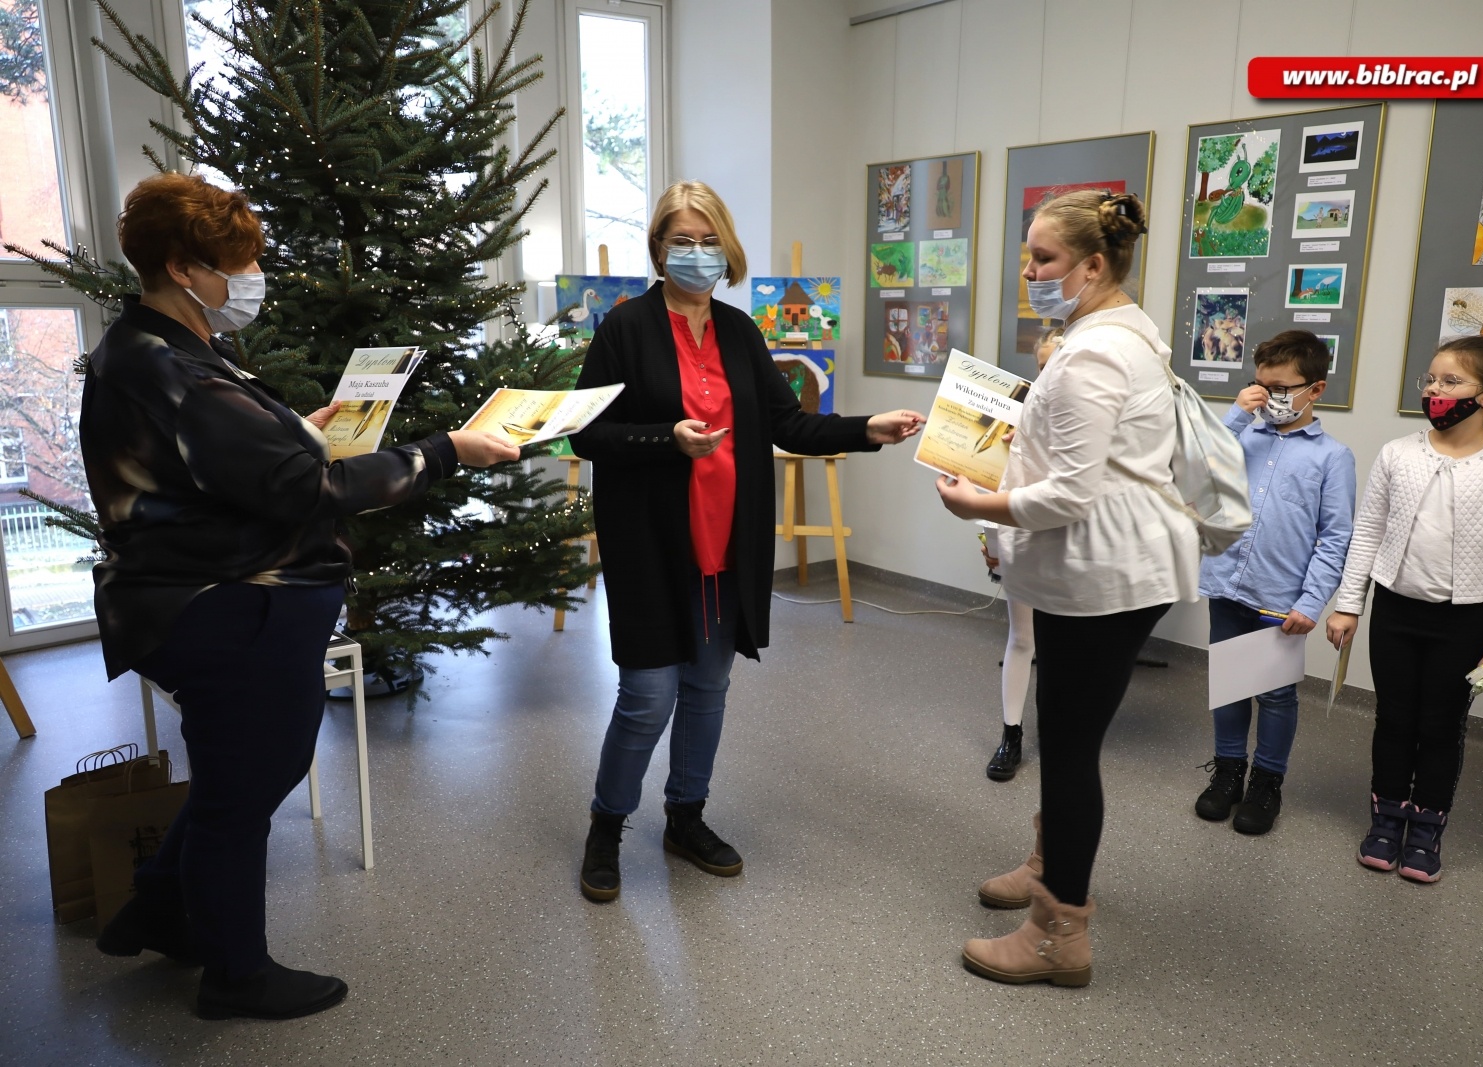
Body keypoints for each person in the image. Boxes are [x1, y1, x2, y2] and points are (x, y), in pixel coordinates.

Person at [84, 173, 521, 1020]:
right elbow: (302, 492)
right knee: (246, 784)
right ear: (181, 267)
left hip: (214, 596)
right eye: (233, 264)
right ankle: (235, 973)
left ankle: (162, 908)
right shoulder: (173, 367)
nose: (248, 278)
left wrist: (297, 428)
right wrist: (444, 452)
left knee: (247, 768)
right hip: (226, 603)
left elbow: (225, 459)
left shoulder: (166, 347)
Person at [568, 180, 923, 903]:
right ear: (658, 247)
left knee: (707, 689)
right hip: (649, 542)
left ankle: (686, 817)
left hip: (726, 544)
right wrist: (665, 439)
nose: (695, 254)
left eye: (707, 241)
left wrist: (864, 430)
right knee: (646, 696)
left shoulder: (739, 332)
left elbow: (787, 424)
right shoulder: (625, 329)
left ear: (725, 248)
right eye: (681, 240)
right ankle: (607, 827)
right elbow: (587, 432)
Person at [936, 189, 1194, 987]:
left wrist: (977, 501)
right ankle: (1050, 862)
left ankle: (1059, 934)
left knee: (1073, 748)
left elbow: (1069, 494)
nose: (1030, 272)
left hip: (1104, 574)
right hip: (1111, 566)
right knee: (1067, 733)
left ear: (1093, 263)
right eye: (1027, 256)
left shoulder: (1094, 353)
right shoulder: (1113, 332)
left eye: (1043, 259)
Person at [1327, 336, 1483, 884]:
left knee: (1442, 725)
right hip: (1397, 612)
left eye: (1451, 382)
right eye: (1430, 380)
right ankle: (1386, 820)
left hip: (1465, 621)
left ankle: (1425, 832)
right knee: (1394, 719)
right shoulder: (1398, 454)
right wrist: (1349, 605)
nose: (1435, 391)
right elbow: (1368, 533)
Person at [1193, 331, 1355, 834]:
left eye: (1281, 388)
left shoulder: (1333, 457)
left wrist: (1312, 600)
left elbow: (1335, 537)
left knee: (1276, 696)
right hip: (1227, 583)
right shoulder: (1241, 435)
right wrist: (1237, 413)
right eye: (1260, 385)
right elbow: (1199, 468)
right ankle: (1228, 773)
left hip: (1281, 595)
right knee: (1230, 684)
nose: (1269, 397)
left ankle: (1267, 783)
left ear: (1316, 389)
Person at [981, 327, 1063, 783]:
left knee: (1064, 648)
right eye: (1043, 368)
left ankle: (1062, 735)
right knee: (1023, 638)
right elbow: (996, 483)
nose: (1049, 377)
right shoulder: (1015, 415)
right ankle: (1011, 736)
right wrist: (992, 545)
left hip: (1072, 546)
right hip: (1022, 540)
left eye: (1059, 368)